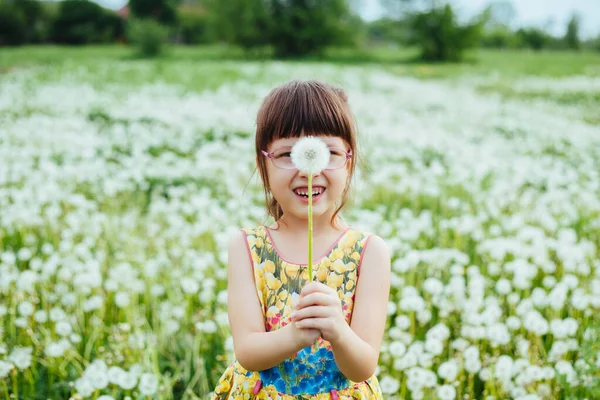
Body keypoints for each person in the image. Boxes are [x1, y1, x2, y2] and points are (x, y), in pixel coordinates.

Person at [211, 80, 391, 399]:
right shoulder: (247, 247)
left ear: (348, 161)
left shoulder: (370, 253)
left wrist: (337, 329)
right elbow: (248, 351)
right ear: (262, 164)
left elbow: (363, 366)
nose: (308, 170)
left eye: (328, 152)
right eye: (287, 154)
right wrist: (294, 335)